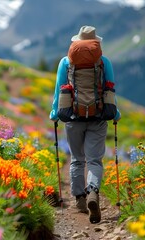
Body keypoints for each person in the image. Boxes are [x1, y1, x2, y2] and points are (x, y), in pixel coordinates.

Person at [49, 25, 121, 224]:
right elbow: (111, 90)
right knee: (95, 161)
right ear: (95, 42)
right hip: (98, 118)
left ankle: (80, 200)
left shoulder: (66, 62)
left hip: (73, 117)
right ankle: (92, 192)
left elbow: (58, 91)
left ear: (76, 42)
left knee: (77, 159)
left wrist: (55, 113)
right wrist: (115, 113)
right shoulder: (104, 62)